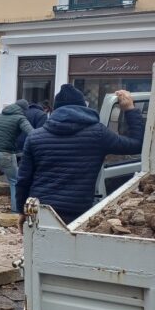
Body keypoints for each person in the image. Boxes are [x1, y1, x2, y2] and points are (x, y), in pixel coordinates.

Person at [16, 86, 144, 225]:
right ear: (84, 107)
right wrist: (129, 109)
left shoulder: (35, 137)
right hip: (78, 213)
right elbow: (136, 144)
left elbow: (23, 180)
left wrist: (22, 211)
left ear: (55, 109)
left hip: (40, 210)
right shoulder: (98, 134)